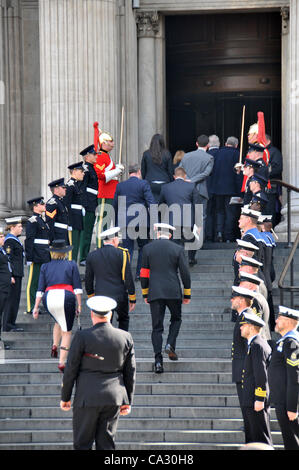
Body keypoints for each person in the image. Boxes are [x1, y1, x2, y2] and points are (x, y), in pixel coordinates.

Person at [60, 295, 136, 450]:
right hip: (113, 397)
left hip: (86, 397)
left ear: (92, 314)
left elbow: (71, 369)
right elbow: (130, 372)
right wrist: (127, 400)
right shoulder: (125, 337)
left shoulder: (82, 336)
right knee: (107, 445)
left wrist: (65, 397)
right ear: (111, 315)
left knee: (82, 444)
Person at [140, 223, 191, 373]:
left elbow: (143, 273)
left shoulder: (147, 249)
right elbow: (185, 273)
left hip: (155, 292)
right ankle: (170, 344)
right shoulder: (177, 249)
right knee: (176, 318)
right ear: (170, 235)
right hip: (173, 291)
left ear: (157, 234)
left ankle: (158, 361)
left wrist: (145, 292)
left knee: (157, 327)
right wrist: (186, 293)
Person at [32, 239, 82, 372]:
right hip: (66, 297)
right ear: (65, 252)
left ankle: (55, 345)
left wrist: (36, 307)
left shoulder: (45, 266)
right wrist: (80, 305)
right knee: (67, 332)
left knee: (58, 320)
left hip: (49, 298)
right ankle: (62, 362)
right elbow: (77, 288)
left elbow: (40, 290)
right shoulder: (71, 265)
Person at [85, 227, 136, 331]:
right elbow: (128, 277)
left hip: (101, 295)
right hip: (120, 295)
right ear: (114, 240)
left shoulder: (92, 255)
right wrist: (132, 297)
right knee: (124, 319)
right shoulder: (122, 253)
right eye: (118, 238)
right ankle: (122, 344)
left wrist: (91, 296)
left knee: (103, 324)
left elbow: (88, 280)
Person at [112, 164, 156, 280]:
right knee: (143, 247)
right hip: (141, 221)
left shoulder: (120, 185)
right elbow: (151, 202)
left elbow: (115, 205)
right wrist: (155, 221)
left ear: (128, 173)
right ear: (139, 172)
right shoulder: (143, 184)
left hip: (125, 222)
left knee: (127, 249)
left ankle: (125, 274)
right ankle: (139, 274)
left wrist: (117, 223)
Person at [239, 311, 273, 446]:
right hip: (250, 399)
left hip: (255, 400)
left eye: (244, 325)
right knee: (253, 438)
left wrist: (259, 398)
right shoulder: (254, 344)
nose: (241, 327)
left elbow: (261, 375)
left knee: (260, 438)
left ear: (251, 327)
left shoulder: (257, 346)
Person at [268, 305, 299, 450]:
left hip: (288, 403)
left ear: (287, 322)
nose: (276, 321)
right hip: (282, 400)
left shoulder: (291, 343)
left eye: (279, 318)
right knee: (289, 440)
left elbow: (295, 377)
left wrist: (293, 407)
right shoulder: (283, 342)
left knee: (292, 440)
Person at [158, 166, 201, 266]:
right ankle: (191, 259)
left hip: (172, 220)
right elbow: (197, 206)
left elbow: (160, 205)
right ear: (185, 176)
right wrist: (198, 224)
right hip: (188, 220)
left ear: (174, 176)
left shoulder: (166, 187)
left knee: (174, 242)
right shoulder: (191, 186)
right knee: (192, 239)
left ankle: (175, 261)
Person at [93, 124, 124, 248]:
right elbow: (100, 175)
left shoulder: (106, 156)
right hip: (105, 193)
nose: (113, 143)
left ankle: (105, 244)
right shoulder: (101, 156)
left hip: (111, 192)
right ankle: (100, 246)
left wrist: (116, 170)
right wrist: (116, 171)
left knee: (108, 221)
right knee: (102, 222)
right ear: (104, 143)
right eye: (110, 142)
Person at [230, 286, 256, 424]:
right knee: (245, 408)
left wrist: (247, 371)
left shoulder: (246, 318)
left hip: (245, 371)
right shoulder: (243, 317)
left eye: (234, 298)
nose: (231, 300)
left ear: (241, 301)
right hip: (242, 370)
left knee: (248, 408)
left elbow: (249, 348)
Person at [209, 136, 243, 243]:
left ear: (226, 143)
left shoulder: (217, 153)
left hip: (217, 188)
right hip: (231, 189)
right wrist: (240, 191)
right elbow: (238, 175)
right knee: (230, 213)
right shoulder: (237, 154)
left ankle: (219, 233)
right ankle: (228, 236)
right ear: (236, 145)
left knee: (219, 212)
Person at [179, 134, 214, 231]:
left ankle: (186, 239)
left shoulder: (186, 156)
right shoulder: (209, 157)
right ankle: (198, 242)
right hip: (200, 190)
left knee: (186, 215)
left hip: (186, 189)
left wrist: (188, 180)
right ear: (208, 145)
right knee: (201, 216)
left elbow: (180, 170)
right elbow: (206, 173)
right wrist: (193, 180)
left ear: (196, 144)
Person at [24, 197, 51, 315]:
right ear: (35, 207)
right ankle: (30, 306)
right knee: (33, 281)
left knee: (43, 281)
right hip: (36, 256)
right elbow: (29, 240)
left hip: (44, 254)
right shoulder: (32, 221)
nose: (44, 205)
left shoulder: (41, 220)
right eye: (41, 203)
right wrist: (29, 258)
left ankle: (41, 305)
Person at [3, 217, 24, 332]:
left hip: (18, 273)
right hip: (13, 274)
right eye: (19, 226)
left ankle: (11, 323)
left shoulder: (15, 240)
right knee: (11, 300)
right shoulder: (10, 241)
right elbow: (8, 259)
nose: (21, 228)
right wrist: (10, 275)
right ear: (12, 227)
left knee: (15, 300)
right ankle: (8, 324)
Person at [78, 145, 99, 266]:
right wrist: (84, 206)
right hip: (88, 204)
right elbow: (82, 189)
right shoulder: (85, 169)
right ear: (87, 156)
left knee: (89, 231)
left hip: (92, 203)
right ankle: (83, 257)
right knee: (86, 232)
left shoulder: (92, 168)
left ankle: (85, 256)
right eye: (94, 154)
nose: (96, 156)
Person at [238, 271, 271, 342]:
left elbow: (254, 325)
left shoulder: (254, 300)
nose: (240, 286)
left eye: (242, 284)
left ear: (250, 285)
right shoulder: (255, 297)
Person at [141, 133, 174, 203]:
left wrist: (145, 181)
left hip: (150, 183)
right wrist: (171, 183)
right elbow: (170, 171)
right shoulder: (167, 154)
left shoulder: (146, 154)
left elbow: (143, 171)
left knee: (151, 204)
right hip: (164, 183)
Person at [64, 162, 85, 263]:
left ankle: (73, 271)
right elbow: (66, 205)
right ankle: (70, 273)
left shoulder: (75, 185)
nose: (83, 174)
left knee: (76, 247)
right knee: (72, 248)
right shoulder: (69, 186)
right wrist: (69, 223)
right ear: (75, 171)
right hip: (73, 221)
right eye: (81, 171)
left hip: (78, 219)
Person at [265, 134, 283, 227]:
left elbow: (277, 169)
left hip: (270, 186)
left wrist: (265, 173)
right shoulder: (259, 152)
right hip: (259, 186)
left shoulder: (274, 152)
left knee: (269, 210)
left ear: (268, 141)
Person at [205, 135, 220, 242]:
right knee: (220, 212)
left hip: (207, 188)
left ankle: (208, 236)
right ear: (219, 143)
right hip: (220, 188)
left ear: (208, 145)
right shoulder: (222, 154)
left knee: (208, 213)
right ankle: (219, 234)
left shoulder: (205, 155)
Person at [45, 178, 69, 245]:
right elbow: (50, 223)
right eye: (63, 187)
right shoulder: (52, 203)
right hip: (57, 237)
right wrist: (52, 239)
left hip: (63, 235)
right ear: (56, 189)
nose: (65, 189)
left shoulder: (61, 202)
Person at [0, 228, 13, 349]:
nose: (3, 238)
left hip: (4, 287)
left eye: (3, 236)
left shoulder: (2, 251)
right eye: (0, 237)